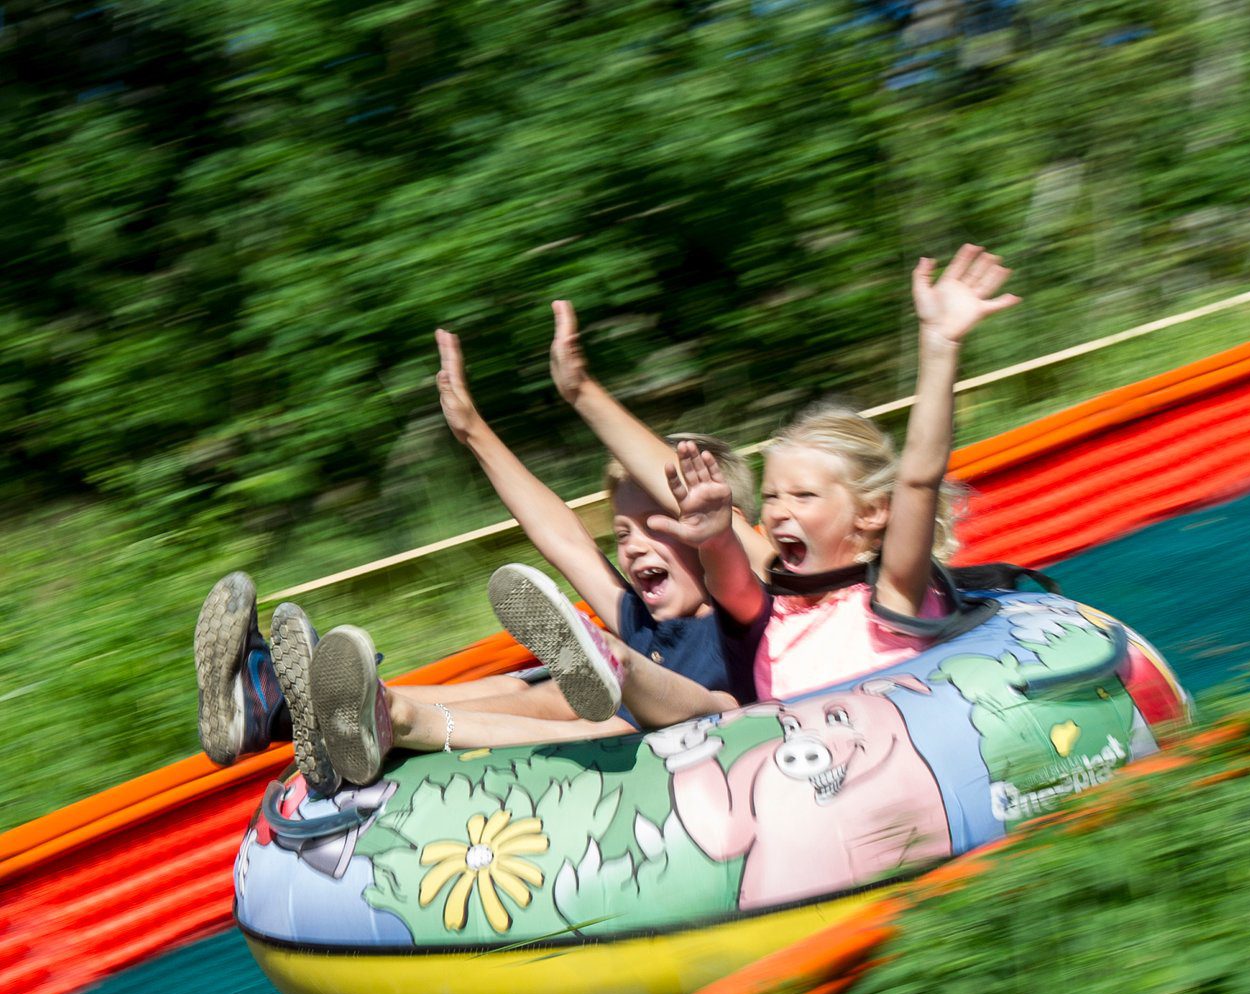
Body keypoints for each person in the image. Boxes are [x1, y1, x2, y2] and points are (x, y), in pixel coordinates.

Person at [195, 313, 759, 795]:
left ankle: (392, 719)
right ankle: (278, 705)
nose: (631, 544)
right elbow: (561, 535)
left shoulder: (749, 616)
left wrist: (582, 390)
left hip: (670, 766)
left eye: (658, 521)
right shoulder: (639, 617)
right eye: (622, 531)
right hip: (603, 723)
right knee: (526, 689)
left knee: (601, 719)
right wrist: (471, 430)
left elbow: (720, 532)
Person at [510, 244, 1019, 721]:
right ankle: (610, 661)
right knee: (718, 700)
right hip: (784, 774)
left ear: (871, 513)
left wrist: (940, 344)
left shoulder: (892, 595)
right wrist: (713, 536)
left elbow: (917, 479)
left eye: (803, 495)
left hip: (886, 760)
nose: (777, 510)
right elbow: (728, 573)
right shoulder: (770, 609)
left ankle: (613, 661)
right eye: (772, 495)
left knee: (711, 701)